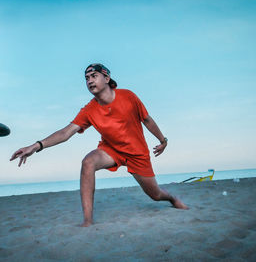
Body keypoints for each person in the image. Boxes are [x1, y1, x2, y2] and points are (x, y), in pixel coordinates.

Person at [10, 63, 188, 227]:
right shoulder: (89, 110)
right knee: (88, 162)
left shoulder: (128, 96)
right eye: (86, 78)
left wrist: (163, 141)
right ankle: (87, 221)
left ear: (107, 78)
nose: (89, 81)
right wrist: (36, 146)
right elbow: (66, 132)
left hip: (137, 153)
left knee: (155, 195)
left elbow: (147, 120)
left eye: (93, 76)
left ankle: (171, 198)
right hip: (111, 150)